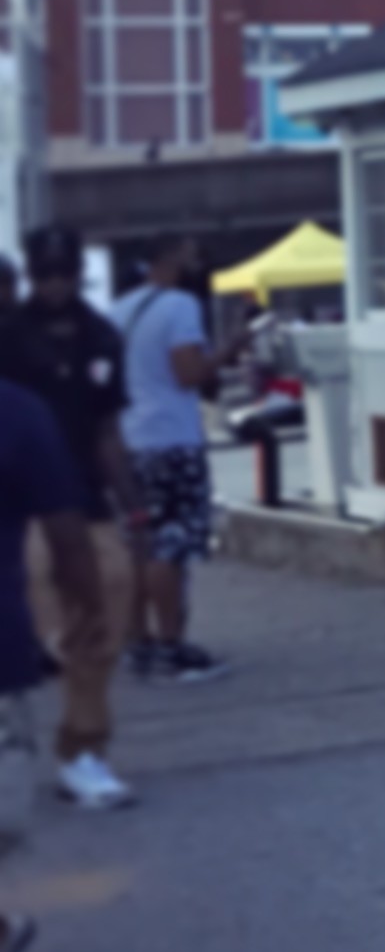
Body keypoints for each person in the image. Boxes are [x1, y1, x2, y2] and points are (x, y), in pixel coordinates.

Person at [0, 228, 137, 807]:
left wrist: (134, 502)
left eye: (65, 271)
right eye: (45, 272)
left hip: (83, 496)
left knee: (103, 616)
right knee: (41, 616)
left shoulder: (101, 334)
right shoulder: (7, 331)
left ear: (80, 271)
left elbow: (108, 429)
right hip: (22, 503)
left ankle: (83, 748)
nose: (55, 282)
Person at [0, 370, 110, 952]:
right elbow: (66, 533)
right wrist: (89, 606)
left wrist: (89, 604)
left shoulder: (18, 412)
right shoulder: (17, 411)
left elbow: (66, 530)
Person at [112, 237, 227, 682]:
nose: (192, 265)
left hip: (129, 441)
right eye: (186, 257)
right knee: (170, 545)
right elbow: (188, 373)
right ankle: (171, 644)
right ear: (165, 261)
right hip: (172, 439)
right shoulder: (180, 305)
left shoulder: (117, 311)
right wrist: (231, 347)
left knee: (137, 544)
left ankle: (137, 642)